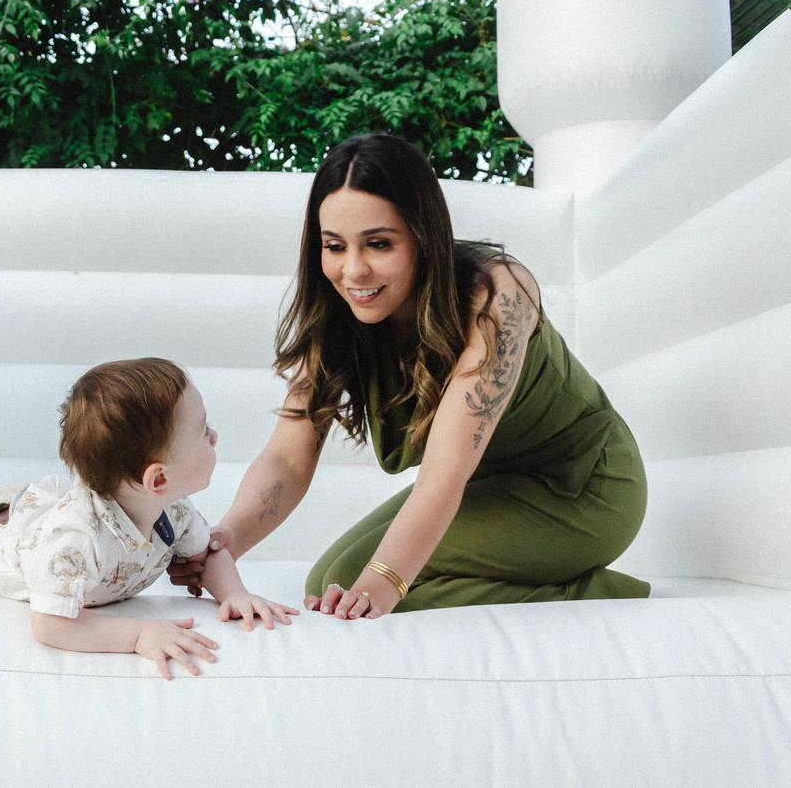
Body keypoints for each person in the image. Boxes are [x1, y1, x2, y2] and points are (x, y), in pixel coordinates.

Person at [170, 133, 650, 619]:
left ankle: (589, 594)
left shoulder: (498, 294)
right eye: (334, 246)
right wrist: (228, 538)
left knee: (365, 584)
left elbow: (444, 474)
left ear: (424, 236)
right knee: (329, 582)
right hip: (492, 485)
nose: (353, 270)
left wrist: (381, 588)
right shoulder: (340, 314)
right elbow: (288, 459)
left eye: (379, 244)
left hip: (583, 488)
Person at [0, 357, 297, 679]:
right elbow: (51, 625)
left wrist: (234, 593)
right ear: (157, 478)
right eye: (201, 431)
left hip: (31, 514)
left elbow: (208, 554)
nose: (214, 435)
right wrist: (138, 634)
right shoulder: (76, 541)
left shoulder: (173, 511)